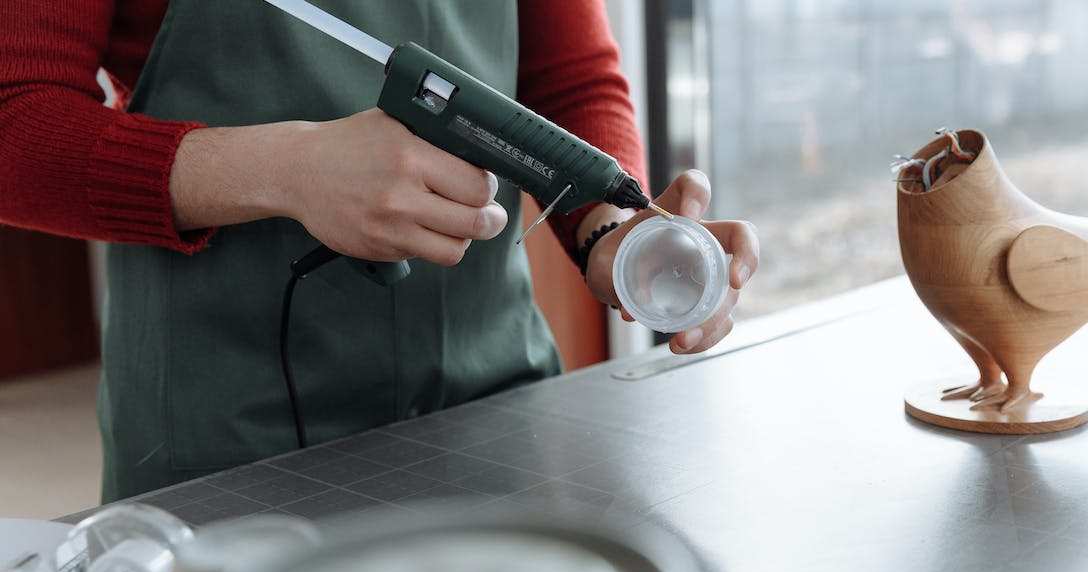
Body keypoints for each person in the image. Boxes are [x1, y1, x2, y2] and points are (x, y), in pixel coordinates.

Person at [0, 0, 759, 501]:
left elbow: (568, 78)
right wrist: (285, 170)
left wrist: (613, 232)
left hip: (494, 403)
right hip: (225, 427)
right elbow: (14, 113)